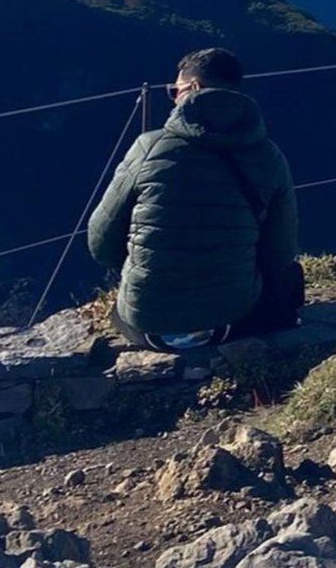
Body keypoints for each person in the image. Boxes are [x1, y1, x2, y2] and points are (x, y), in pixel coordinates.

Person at [88, 48, 299, 350]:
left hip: (149, 325)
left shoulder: (149, 147)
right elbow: (280, 254)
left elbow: (100, 240)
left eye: (176, 90)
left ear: (194, 89)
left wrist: (146, 266)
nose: (173, 97)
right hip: (230, 320)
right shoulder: (269, 156)